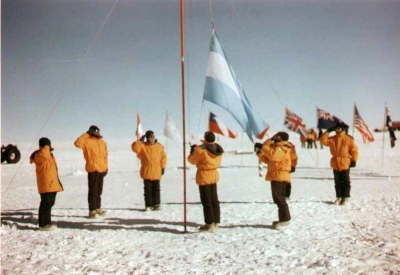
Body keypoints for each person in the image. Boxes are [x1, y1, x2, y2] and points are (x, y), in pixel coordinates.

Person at [254, 131, 297, 230]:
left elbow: (273, 155)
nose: (274, 137)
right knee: (277, 198)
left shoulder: (283, 147)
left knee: (280, 199)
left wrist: (265, 145)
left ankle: (285, 220)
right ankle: (282, 218)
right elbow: (269, 160)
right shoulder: (276, 147)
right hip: (276, 175)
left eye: (277, 136)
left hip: (280, 175)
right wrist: (259, 153)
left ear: (281, 138)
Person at [187, 131, 224, 233]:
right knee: (214, 200)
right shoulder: (217, 148)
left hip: (204, 175)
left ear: (205, 138)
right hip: (213, 174)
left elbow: (192, 161)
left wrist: (192, 152)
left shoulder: (201, 149)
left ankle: (209, 224)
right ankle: (216, 222)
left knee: (206, 200)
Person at [320, 123, 358, 205]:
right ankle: (339, 197)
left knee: (345, 181)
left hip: (345, 162)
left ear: (342, 129)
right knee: (337, 182)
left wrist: (354, 160)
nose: (337, 130)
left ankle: (345, 197)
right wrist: (328, 131)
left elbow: (354, 151)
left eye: (339, 128)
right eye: (336, 128)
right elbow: (322, 141)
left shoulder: (348, 139)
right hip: (335, 163)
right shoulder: (332, 139)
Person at [30, 137, 64, 231]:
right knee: (45, 204)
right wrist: (45, 146)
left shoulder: (47, 154)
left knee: (49, 203)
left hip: (51, 183)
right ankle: (43, 224)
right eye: (47, 145)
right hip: (46, 184)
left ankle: (47, 222)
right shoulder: (41, 155)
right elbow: (44, 153)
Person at [74, 125, 108, 218]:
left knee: (99, 190)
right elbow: (77, 143)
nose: (97, 133)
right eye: (95, 131)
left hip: (101, 169)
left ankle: (98, 208)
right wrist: (86, 134)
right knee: (93, 191)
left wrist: (106, 168)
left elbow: (105, 157)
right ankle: (92, 210)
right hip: (93, 169)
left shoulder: (102, 143)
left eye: (98, 131)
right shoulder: (86, 141)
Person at [132, 130, 167, 211]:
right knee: (148, 190)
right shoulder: (143, 146)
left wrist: (163, 167)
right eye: (150, 137)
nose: (152, 139)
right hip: (147, 171)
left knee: (156, 190)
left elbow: (163, 158)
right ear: (147, 138)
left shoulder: (159, 147)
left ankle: (157, 204)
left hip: (156, 172)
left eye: (153, 137)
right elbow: (134, 148)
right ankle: (149, 205)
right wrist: (139, 141)